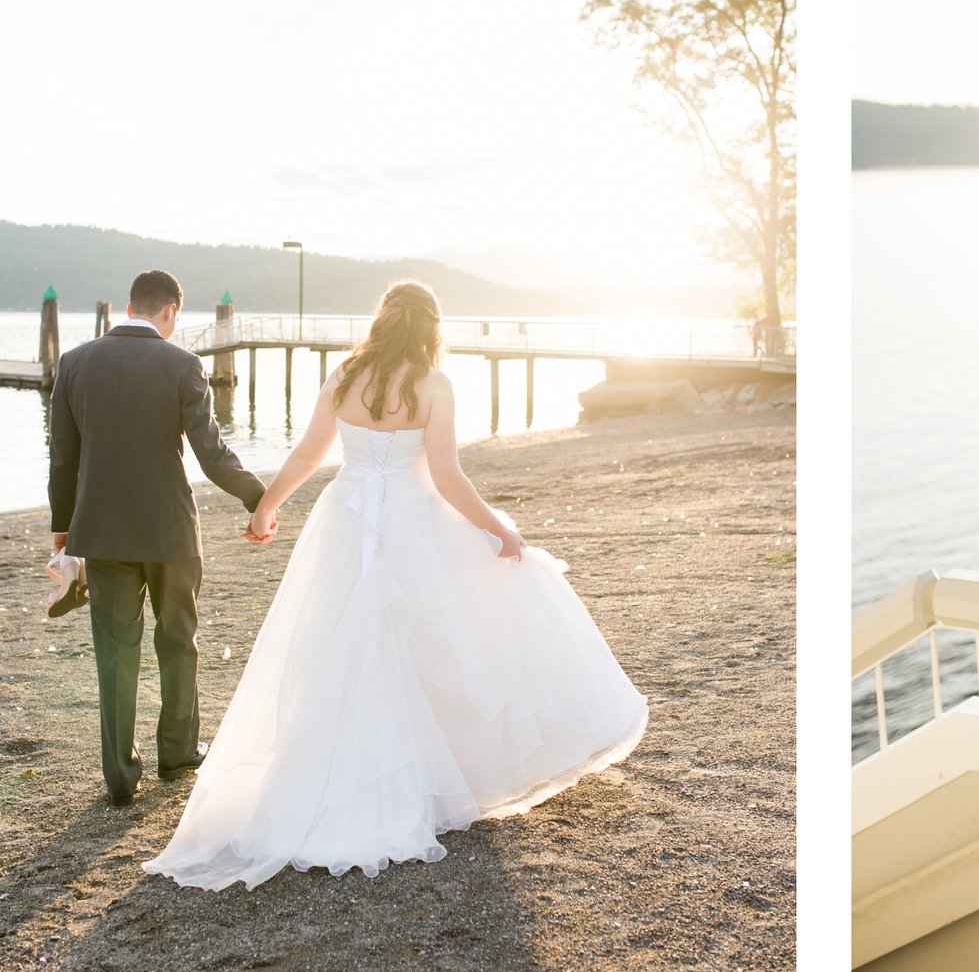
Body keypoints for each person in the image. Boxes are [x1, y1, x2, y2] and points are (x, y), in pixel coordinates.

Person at [144, 281, 648, 890]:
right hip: (414, 522)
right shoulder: (434, 385)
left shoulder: (344, 376)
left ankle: (342, 782)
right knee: (427, 645)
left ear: (382, 321)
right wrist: (498, 531)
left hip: (346, 517)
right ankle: (424, 782)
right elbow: (446, 474)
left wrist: (265, 509)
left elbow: (306, 456)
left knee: (341, 649)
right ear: (431, 328)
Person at [49, 270, 271, 808]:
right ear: (171, 311)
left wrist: (64, 535)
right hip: (171, 534)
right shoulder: (182, 364)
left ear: (129, 306)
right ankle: (177, 755)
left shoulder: (74, 363)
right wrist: (258, 498)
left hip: (100, 534)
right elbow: (211, 454)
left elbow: (62, 459)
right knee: (178, 642)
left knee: (115, 654)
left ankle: (120, 778)